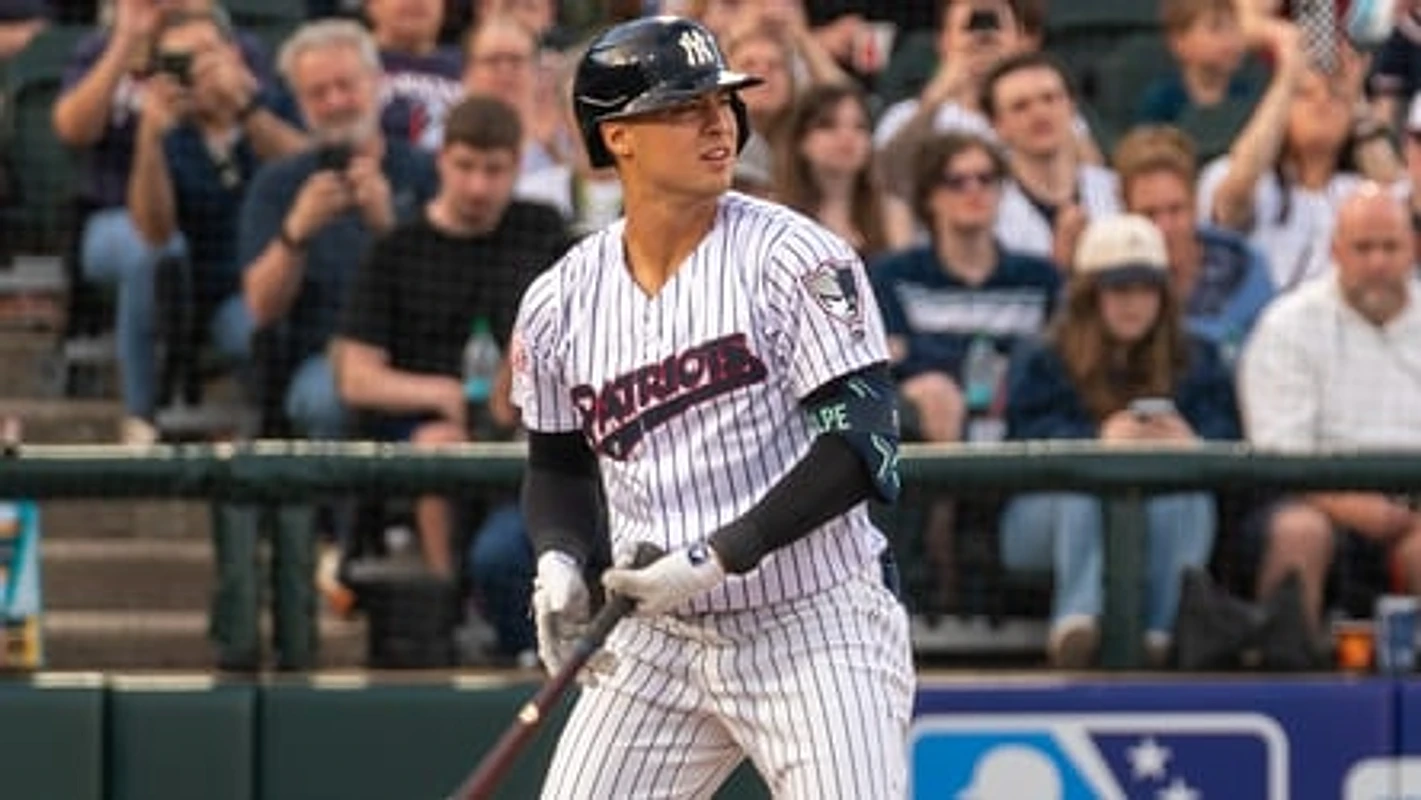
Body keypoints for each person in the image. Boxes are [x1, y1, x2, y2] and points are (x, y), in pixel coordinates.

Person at [512, 16, 913, 797]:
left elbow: (862, 446)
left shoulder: (797, 257)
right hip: (654, 640)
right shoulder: (559, 298)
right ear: (617, 137)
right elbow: (556, 464)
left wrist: (717, 555)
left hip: (811, 622)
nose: (716, 122)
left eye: (721, 101)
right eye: (682, 107)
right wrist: (557, 559)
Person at [332, 96, 570, 659]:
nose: (478, 186)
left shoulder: (541, 229)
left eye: (494, 170)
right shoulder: (398, 250)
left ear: (517, 166)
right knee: (437, 447)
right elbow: (356, 377)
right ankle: (451, 605)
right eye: (465, 167)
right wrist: (441, 395)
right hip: (422, 428)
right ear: (441, 160)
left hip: (527, 421)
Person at [1000, 214, 1239, 667]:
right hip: (1045, 520)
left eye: (1146, 290)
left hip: (1157, 513)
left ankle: (1160, 631)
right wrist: (1098, 439)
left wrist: (1192, 443)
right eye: (1119, 290)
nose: (1134, 304)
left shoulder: (1198, 358)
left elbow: (1230, 437)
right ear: (1091, 295)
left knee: (1184, 494)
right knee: (1087, 484)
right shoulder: (1044, 356)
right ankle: (1077, 621)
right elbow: (1021, 439)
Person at [238, 19, 438, 441]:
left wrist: (387, 226)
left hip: (420, 353)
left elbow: (445, 290)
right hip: (321, 357)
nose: (335, 102)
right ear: (300, 104)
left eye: (346, 85)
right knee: (325, 401)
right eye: (317, 92)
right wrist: (295, 233)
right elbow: (261, 308)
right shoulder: (277, 184)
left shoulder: (426, 172)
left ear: (376, 83)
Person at [1240, 185, 1421, 632]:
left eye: (1390, 247)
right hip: (1312, 497)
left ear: (1413, 250)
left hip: (1415, 503)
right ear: (1335, 251)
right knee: (1300, 532)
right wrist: (1364, 510)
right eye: (1363, 248)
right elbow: (1281, 454)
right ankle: (1287, 662)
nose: (1377, 263)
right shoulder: (1287, 324)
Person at [1113, 125, 1275, 363]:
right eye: (1149, 214)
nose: (1165, 228)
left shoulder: (1245, 271)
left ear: (1196, 204)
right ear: (1125, 213)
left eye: (1176, 210)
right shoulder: (1106, 284)